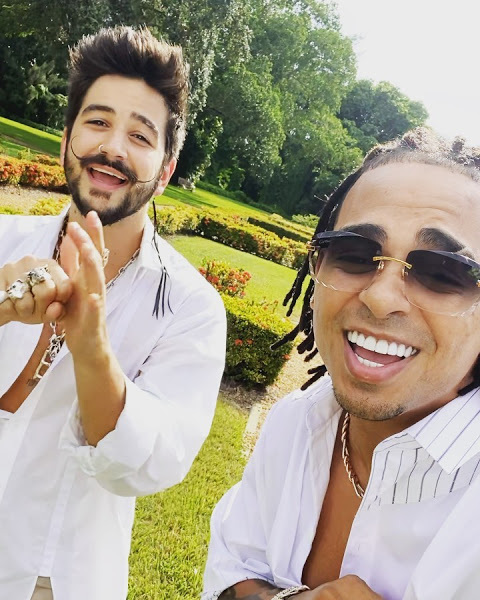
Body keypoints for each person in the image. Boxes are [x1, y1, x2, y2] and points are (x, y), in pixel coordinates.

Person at [202, 128, 480, 600]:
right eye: (354, 254)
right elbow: (229, 565)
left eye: (442, 272)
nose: (380, 297)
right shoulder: (298, 422)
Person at [0, 26, 226, 600]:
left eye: (140, 135)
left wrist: (91, 345)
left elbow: (153, 463)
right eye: (97, 122)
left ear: (166, 170)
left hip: (52, 579)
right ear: (66, 140)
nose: (113, 148)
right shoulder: (5, 243)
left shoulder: (191, 308)